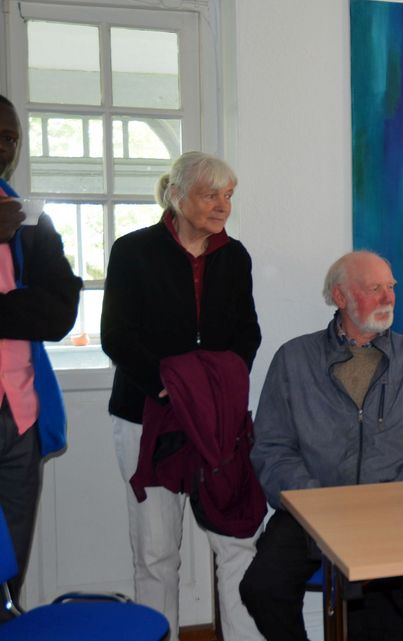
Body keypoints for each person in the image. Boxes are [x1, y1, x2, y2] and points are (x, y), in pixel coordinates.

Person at [240, 251, 403, 641]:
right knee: (262, 586)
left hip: (399, 509)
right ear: (340, 297)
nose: (387, 298)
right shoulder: (294, 359)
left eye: (391, 287)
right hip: (315, 510)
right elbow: (272, 449)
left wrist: (393, 499)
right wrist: (318, 503)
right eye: (373, 288)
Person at [101, 151, 263, 640]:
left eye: (228, 195)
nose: (222, 205)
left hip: (216, 422)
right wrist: (169, 384)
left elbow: (247, 334)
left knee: (237, 542)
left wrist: (218, 390)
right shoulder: (132, 251)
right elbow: (117, 335)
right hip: (146, 415)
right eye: (210, 194)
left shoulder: (235, 257)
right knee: (156, 552)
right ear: (176, 195)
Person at [0, 93, 81, 605]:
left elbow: (58, 316)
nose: (5, 148)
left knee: (9, 575)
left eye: (12, 138)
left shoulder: (30, 219)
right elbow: (39, 307)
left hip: (21, 417)